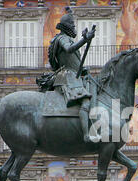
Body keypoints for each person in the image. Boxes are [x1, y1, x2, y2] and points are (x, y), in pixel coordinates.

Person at [43, 7, 100, 143]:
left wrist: (83, 69)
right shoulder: (62, 39)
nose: (74, 28)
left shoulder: (66, 38)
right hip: (67, 76)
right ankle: (86, 135)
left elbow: (74, 62)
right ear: (67, 26)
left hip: (74, 74)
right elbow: (69, 50)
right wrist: (84, 40)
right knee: (85, 101)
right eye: (73, 25)